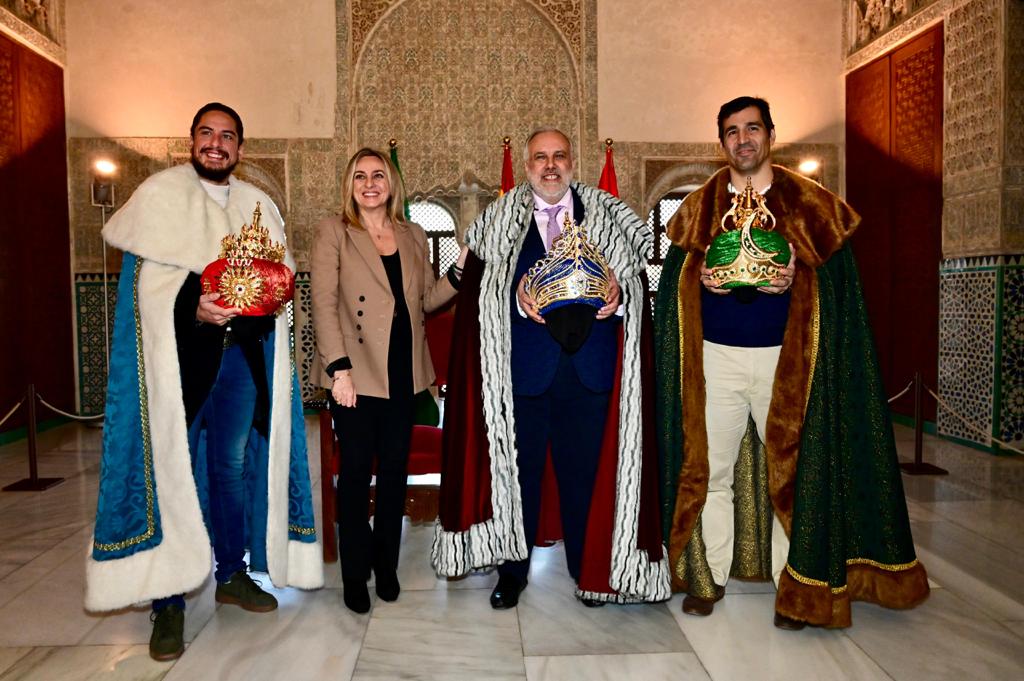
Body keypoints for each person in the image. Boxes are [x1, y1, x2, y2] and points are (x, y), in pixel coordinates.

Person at [655, 96, 929, 629]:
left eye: (752, 129)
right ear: (722, 144)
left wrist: (798, 275)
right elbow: (672, 291)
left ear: (771, 135)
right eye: (732, 132)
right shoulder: (700, 208)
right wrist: (700, 280)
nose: (743, 140)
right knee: (711, 472)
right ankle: (707, 579)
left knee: (795, 473)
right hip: (717, 360)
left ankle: (796, 586)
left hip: (789, 363)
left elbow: (838, 287)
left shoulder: (808, 203)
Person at [85, 103, 323, 660]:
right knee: (173, 466)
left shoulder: (257, 205)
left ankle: (231, 573)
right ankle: (167, 604)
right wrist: (198, 308)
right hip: (178, 365)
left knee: (231, 466)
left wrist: (256, 301)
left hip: (241, 360)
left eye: (228, 137)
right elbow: (146, 293)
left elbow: (274, 285)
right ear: (191, 140)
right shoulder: (160, 198)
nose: (216, 144)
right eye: (207, 134)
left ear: (240, 149)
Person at [432, 128, 670, 607]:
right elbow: (478, 299)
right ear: (527, 166)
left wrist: (621, 298)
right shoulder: (498, 221)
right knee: (517, 479)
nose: (550, 165)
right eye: (540, 157)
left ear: (571, 160)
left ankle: (589, 570)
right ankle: (513, 573)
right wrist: (515, 300)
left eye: (559, 156)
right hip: (523, 375)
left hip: (590, 373)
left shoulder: (608, 217)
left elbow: (638, 287)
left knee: (584, 476)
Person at [311, 148, 467, 614]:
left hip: (404, 370)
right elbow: (322, 301)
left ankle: (388, 567)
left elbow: (426, 299)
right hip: (354, 373)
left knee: (395, 473)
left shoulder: (412, 233)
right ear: (349, 184)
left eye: (379, 175)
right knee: (357, 475)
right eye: (360, 176)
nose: (370, 183)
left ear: (391, 184)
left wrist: (459, 270)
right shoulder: (333, 231)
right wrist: (338, 369)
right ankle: (355, 575)